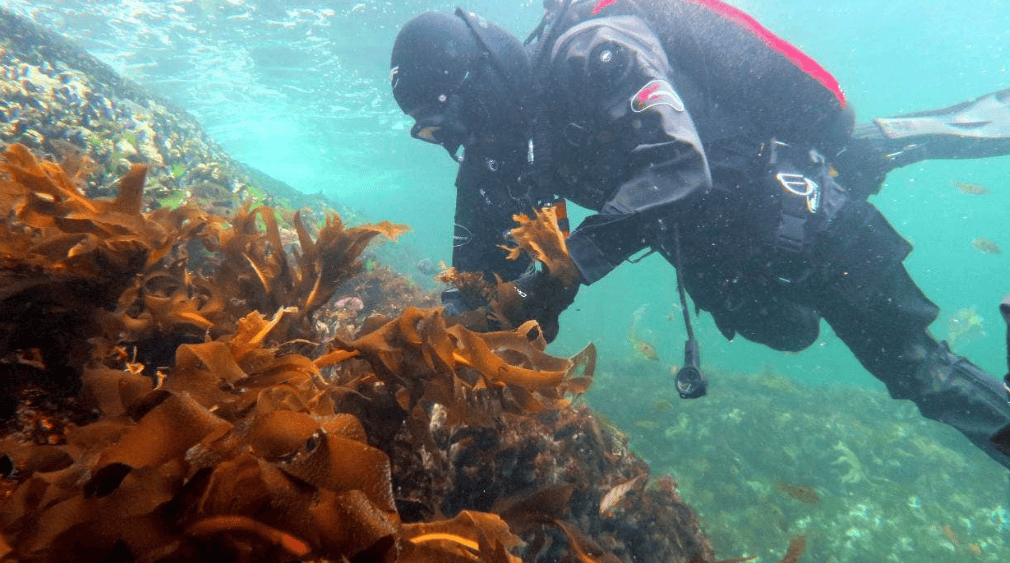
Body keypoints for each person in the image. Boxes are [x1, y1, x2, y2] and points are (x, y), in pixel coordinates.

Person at [389, 0, 1010, 469]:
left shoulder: (597, 52)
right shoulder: (502, 138)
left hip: (801, 213)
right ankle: (864, 152)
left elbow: (680, 167)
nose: (457, 139)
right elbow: (472, 269)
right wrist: (445, 357)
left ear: (485, 77)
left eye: (454, 118)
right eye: (436, 132)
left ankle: (882, 142)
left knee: (917, 370)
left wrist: (563, 272)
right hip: (724, 256)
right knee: (790, 333)